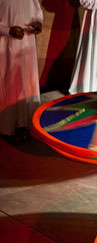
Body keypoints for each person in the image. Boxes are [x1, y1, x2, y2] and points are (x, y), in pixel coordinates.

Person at [0, 0, 43, 140]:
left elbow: (37, 11)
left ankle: (26, 123)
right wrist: (7, 30)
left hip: (27, 44)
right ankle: (9, 125)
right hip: (6, 44)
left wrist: (38, 23)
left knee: (27, 83)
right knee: (9, 83)